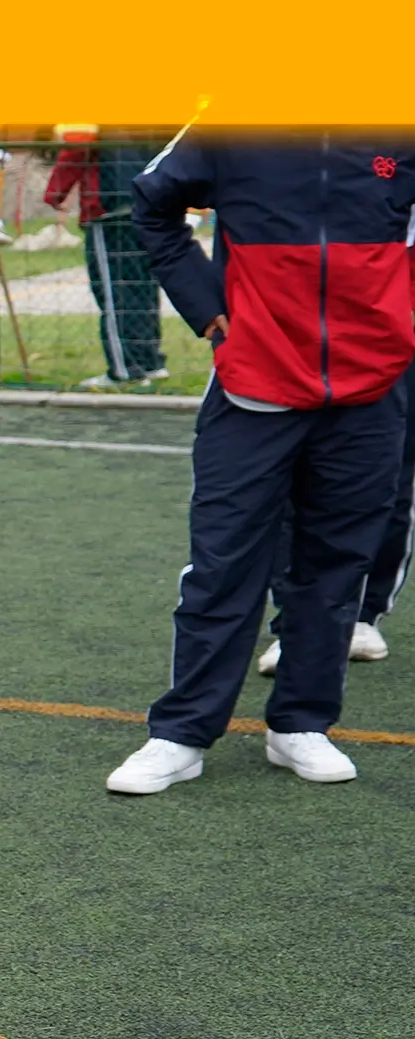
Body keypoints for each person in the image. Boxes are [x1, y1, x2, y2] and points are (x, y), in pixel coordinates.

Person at [106, 130, 415, 795]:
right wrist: (204, 303)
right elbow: (153, 203)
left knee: (335, 564)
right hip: (255, 380)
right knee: (224, 562)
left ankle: (301, 724)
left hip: (373, 385)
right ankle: (181, 732)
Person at [259, 361, 415, 674]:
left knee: (388, 474)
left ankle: (363, 615)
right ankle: (294, 623)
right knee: (289, 476)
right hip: (292, 338)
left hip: (390, 339)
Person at [42, 125, 168, 388]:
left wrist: (56, 191)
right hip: (147, 201)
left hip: (108, 205)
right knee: (142, 287)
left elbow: (78, 144)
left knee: (113, 291)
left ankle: (125, 369)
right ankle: (150, 361)